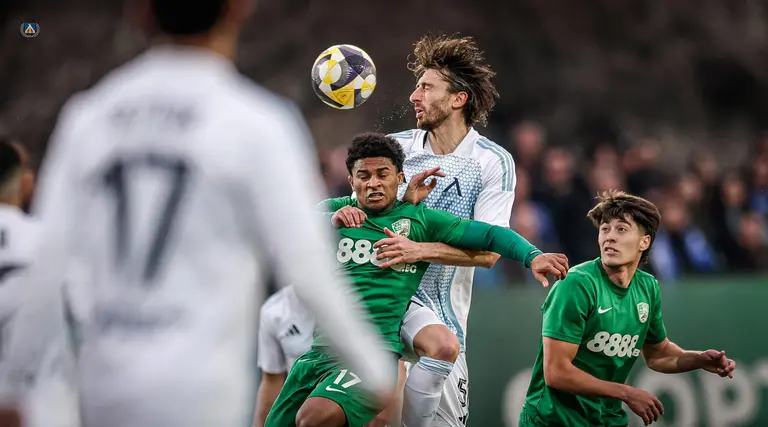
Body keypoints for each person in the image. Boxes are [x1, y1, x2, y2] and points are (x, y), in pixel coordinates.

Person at [0, 1, 397, 426]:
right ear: (239, 9)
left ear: (140, 13)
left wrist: (12, 387)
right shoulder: (257, 122)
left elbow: (49, 260)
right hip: (201, 385)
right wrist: (374, 371)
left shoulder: (88, 117)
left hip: (105, 386)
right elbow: (308, 265)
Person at [265, 133, 567, 427]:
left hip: (371, 355)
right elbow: (281, 232)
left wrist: (532, 256)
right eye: (364, 176)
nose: (373, 183)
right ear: (351, 181)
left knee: (314, 417)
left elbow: (489, 234)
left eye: (382, 174)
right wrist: (326, 222)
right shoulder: (334, 212)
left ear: (399, 178)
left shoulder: (419, 220)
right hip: (317, 354)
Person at [384, 34, 516, 427]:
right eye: (417, 86)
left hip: (445, 319)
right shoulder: (391, 150)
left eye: (427, 87)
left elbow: (490, 252)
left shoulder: (491, 162)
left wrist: (419, 250)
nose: (414, 96)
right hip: (384, 304)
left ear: (458, 99)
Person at [519, 190, 737, 427]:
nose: (609, 237)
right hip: (554, 421)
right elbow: (556, 372)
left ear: (645, 241)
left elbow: (658, 354)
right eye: (605, 229)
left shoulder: (647, 287)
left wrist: (697, 359)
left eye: (621, 229)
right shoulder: (576, 284)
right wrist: (626, 393)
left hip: (607, 420)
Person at [253, 285, 315, 427]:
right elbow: (272, 380)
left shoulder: (352, 298)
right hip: (300, 412)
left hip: (348, 403)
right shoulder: (273, 311)